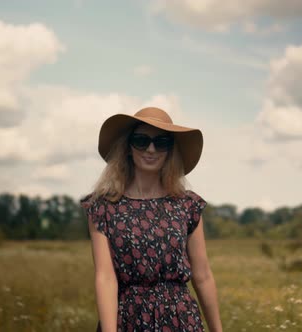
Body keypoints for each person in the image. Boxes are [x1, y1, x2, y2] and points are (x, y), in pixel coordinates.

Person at [80, 107, 223, 332]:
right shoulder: (103, 207)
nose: (151, 149)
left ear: (170, 150)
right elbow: (105, 278)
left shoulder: (187, 205)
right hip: (127, 320)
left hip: (181, 320)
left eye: (161, 142)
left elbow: (202, 275)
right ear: (128, 147)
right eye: (141, 140)